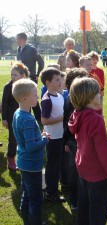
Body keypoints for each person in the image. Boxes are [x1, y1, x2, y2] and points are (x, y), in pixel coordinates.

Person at [68, 77, 107, 225]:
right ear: (90, 98)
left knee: (84, 205)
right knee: (98, 210)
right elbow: (103, 152)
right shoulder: (95, 119)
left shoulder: (76, 114)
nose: (101, 95)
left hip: (82, 167)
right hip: (97, 173)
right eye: (98, 93)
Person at [12, 78, 49, 225]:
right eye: (35, 94)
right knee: (35, 198)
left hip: (23, 162)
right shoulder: (27, 119)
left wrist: (38, 136)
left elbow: (26, 138)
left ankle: (26, 219)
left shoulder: (18, 113)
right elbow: (31, 147)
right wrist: (45, 139)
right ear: (25, 98)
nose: (38, 97)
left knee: (27, 192)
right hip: (31, 165)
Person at [63, 68, 89, 210]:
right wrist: (67, 140)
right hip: (75, 141)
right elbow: (68, 122)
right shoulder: (72, 100)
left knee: (81, 169)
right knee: (75, 171)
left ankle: (82, 197)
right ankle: (75, 200)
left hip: (80, 139)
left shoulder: (81, 99)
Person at [40, 68, 65, 203]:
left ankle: (54, 187)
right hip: (52, 137)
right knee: (52, 165)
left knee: (57, 163)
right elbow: (44, 120)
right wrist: (62, 118)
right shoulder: (47, 99)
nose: (60, 81)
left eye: (60, 79)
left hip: (61, 135)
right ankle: (51, 192)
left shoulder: (59, 95)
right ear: (48, 82)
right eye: (56, 79)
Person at [2, 63, 29, 170]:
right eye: (11, 75)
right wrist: (4, 118)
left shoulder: (27, 85)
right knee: (13, 139)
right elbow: (4, 103)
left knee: (23, 138)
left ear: (22, 75)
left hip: (25, 116)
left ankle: (22, 159)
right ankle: (11, 159)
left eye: (15, 75)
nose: (12, 77)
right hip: (11, 117)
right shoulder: (8, 87)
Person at [16, 32, 44, 123]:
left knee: (32, 98)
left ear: (22, 39)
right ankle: (27, 117)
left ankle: (39, 119)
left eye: (17, 38)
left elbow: (41, 61)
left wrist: (37, 74)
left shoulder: (31, 49)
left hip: (31, 78)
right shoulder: (19, 49)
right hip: (21, 78)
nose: (16, 40)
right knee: (24, 98)